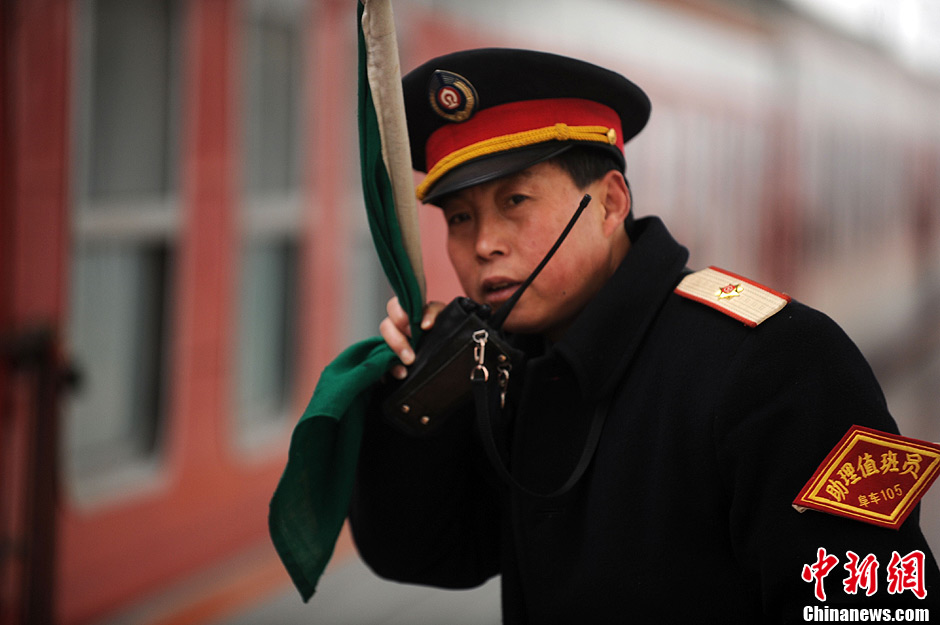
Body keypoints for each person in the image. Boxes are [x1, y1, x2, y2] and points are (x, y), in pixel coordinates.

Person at [348, 48, 940, 623]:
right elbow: (422, 552)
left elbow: (880, 607)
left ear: (609, 204)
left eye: (515, 201)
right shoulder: (514, 368)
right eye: (459, 217)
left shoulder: (788, 359)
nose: (483, 244)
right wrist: (423, 396)